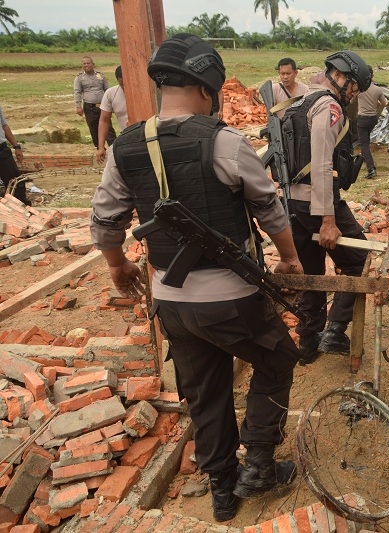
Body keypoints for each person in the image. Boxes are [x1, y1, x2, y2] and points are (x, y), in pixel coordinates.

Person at [89, 34, 304, 522]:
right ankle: (260, 464)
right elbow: (269, 209)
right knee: (277, 360)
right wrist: (290, 259)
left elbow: (105, 220)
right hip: (232, 300)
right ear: (207, 88)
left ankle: (222, 488)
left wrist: (118, 265)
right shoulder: (225, 141)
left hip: (171, 303)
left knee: (205, 390)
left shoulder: (125, 146)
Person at [283, 50, 371, 365]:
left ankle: (308, 344)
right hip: (317, 202)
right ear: (341, 77)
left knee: (311, 273)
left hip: (293, 202)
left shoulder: (299, 103)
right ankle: (334, 332)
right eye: (355, 87)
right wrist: (328, 221)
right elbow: (321, 164)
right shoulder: (328, 106)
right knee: (358, 260)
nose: (354, 95)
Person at [74, 56, 115, 149]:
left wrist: (112, 103)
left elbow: (107, 89)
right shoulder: (80, 78)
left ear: (93, 64)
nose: (86, 65)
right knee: (93, 127)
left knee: (108, 127)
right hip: (89, 107)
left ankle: (113, 147)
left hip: (103, 106)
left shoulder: (100, 76)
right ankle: (100, 148)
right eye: (84, 63)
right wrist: (78, 106)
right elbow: (77, 92)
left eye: (88, 63)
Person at [357, 67, 388, 179]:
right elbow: (384, 104)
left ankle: (371, 169)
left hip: (362, 119)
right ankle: (365, 157)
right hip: (373, 119)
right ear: (372, 76)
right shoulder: (377, 90)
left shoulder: (359, 89)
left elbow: (350, 100)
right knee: (366, 140)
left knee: (364, 144)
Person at [96, 66, 127, 164]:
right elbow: (104, 121)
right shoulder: (111, 94)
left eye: (127, 84)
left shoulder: (145, 91)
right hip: (125, 138)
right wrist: (101, 147)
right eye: (122, 84)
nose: (125, 87)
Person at [0, 103, 29, 205]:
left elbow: (4, 125)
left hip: (2, 150)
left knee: (16, 183)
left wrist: (16, 146)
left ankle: (22, 209)